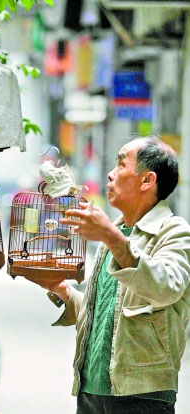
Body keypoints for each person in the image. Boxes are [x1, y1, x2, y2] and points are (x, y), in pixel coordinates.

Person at [41, 136, 190, 414]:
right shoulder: (117, 232)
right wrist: (60, 288)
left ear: (147, 180)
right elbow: (103, 313)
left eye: (121, 164)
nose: (111, 173)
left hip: (142, 396)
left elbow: (167, 287)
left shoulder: (174, 232)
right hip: (90, 390)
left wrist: (111, 236)